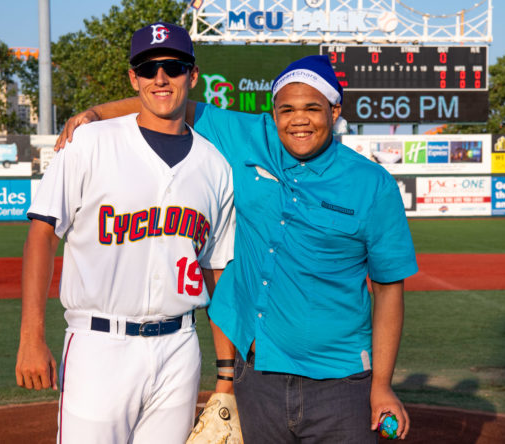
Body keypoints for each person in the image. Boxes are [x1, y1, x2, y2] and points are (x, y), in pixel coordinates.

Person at [57, 54, 418, 443]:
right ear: (273, 113)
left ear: (334, 111)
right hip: (257, 377)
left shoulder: (373, 184)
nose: (299, 120)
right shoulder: (249, 136)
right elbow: (172, 102)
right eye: (287, 109)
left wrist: (381, 385)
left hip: (341, 382)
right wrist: (96, 113)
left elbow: (388, 289)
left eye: (313, 108)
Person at [15, 22, 235, 444]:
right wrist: (31, 338)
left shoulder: (214, 166)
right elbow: (41, 235)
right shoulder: (88, 143)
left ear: (192, 75)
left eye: (172, 66)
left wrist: (225, 376)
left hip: (179, 346)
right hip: (100, 345)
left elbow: (216, 273)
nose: (160, 78)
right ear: (133, 78)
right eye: (148, 67)